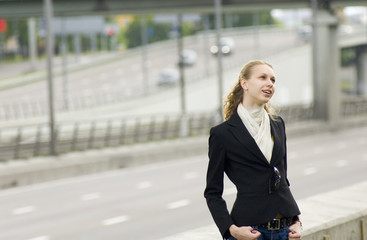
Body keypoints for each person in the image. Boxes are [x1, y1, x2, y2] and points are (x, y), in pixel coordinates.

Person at [204, 60, 302, 240]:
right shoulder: (222, 134)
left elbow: (281, 179)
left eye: (273, 80)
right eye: (262, 77)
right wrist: (231, 230)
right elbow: (212, 192)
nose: (270, 84)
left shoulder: (278, 124)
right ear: (244, 83)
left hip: (285, 232)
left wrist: (296, 220)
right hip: (250, 232)